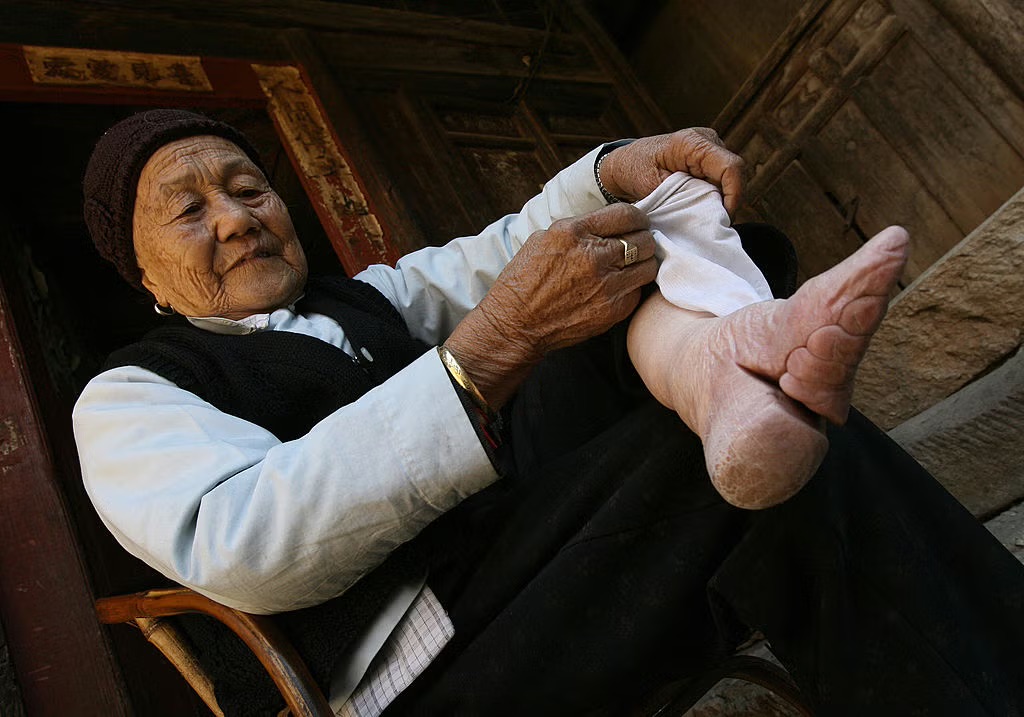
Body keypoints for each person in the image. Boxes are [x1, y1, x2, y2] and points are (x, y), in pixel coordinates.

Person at [74, 110, 1024, 716]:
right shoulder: (129, 397)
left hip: (521, 561)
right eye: (189, 210)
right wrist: (485, 351)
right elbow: (240, 540)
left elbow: (506, 252)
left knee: (623, 260)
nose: (238, 217)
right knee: (748, 464)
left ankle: (729, 373)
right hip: (426, 667)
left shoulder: (364, 299)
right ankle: (739, 387)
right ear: (145, 273)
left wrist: (612, 176)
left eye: (248, 188)